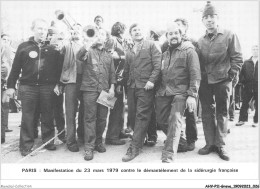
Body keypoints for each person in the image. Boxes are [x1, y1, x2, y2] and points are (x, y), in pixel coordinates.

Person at [6, 18, 63, 156]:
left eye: (44, 29)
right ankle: (26, 145)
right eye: (39, 28)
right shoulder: (24, 46)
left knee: (48, 116)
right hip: (28, 87)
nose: (42, 32)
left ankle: (48, 141)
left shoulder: (52, 48)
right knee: (28, 117)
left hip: (47, 87)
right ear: (33, 29)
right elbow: (15, 68)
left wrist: (58, 84)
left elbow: (58, 68)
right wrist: (11, 86)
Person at [197, 2, 243, 161]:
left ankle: (221, 145)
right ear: (202, 21)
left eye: (212, 17)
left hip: (223, 80)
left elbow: (237, 58)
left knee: (222, 112)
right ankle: (210, 143)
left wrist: (231, 75)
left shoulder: (229, 35)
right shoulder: (200, 40)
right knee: (207, 113)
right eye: (206, 17)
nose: (209, 20)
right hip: (205, 82)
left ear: (218, 18)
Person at [156, 22, 201, 163]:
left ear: (181, 35)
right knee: (161, 120)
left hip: (181, 93)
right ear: (167, 37)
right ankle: (180, 143)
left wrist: (192, 95)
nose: (174, 36)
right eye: (170, 34)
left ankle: (168, 154)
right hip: (164, 92)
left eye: (176, 33)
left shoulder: (189, 51)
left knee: (175, 120)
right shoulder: (164, 54)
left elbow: (195, 74)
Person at [122, 23, 161, 162]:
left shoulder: (151, 45)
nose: (137, 32)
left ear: (143, 32)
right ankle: (150, 136)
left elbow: (158, 65)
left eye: (139, 29)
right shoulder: (129, 49)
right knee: (132, 115)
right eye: (134, 30)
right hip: (132, 86)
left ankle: (135, 147)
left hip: (146, 86)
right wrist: (124, 86)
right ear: (131, 34)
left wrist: (151, 80)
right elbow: (126, 70)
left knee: (142, 114)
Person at [77, 28, 116, 161]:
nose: (100, 36)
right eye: (98, 34)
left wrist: (112, 88)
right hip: (89, 89)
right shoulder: (88, 51)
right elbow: (79, 56)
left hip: (105, 90)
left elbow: (112, 73)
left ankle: (99, 142)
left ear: (106, 38)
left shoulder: (109, 55)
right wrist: (88, 43)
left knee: (102, 118)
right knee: (89, 118)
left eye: (102, 34)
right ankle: (89, 147)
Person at [105, 22, 131, 145]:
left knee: (120, 107)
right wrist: (115, 82)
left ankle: (118, 131)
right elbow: (108, 59)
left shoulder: (121, 42)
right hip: (114, 80)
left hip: (120, 79)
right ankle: (111, 136)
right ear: (120, 31)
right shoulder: (112, 40)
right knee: (115, 108)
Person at [59, 24, 85, 152]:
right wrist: (67, 36)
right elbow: (59, 47)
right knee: (70, 112)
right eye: (73, 29)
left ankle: (82, 135)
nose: (76, 31)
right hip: (71, 81)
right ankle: (70, 140)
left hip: (85, 82)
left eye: (78, 29)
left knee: (85, 111)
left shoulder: (87, 44)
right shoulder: (67, 44)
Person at [236, 45, 258, 127]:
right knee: (245, 103)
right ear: (251, 51)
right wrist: (242, 82)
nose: (255, 51)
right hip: (248, 86)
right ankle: (242, 119)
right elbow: (241, 74)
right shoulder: (246, 62)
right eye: (254, 49)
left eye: (257, 49)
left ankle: (256, 121)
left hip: (258, 86)